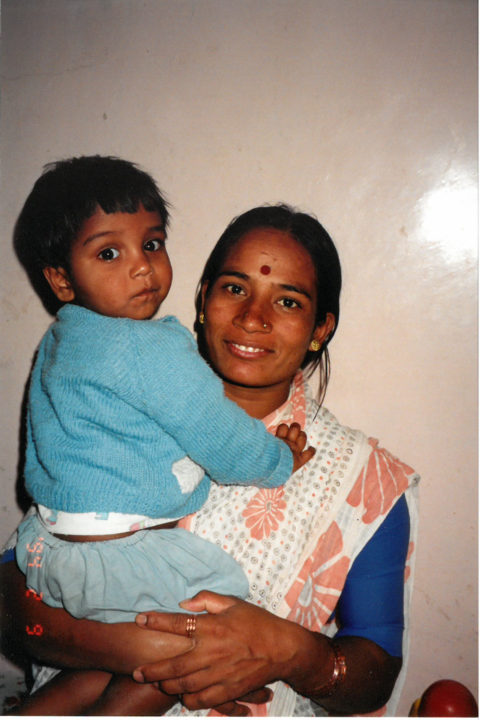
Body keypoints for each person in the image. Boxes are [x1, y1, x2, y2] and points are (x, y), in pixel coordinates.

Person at [0, 203, 419, 717]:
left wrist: (284, 650)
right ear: (203, 299)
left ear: (320, 327)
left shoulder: (363, 478)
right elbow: (15, 598)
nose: (252, 318)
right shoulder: (113, 398)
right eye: (235, 289)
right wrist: (147, 649)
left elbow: (374, 672)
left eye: (287, 302)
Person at [8, 159, 315, 716]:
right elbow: (222, 441)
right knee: (190, 649)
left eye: (151, 245)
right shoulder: (148, 349)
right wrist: (279, 459)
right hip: (118, 557)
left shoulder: (62, 340)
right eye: (109, 253)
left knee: (103, 661)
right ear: (60, 278)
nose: (142, 269)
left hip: (49, 550)